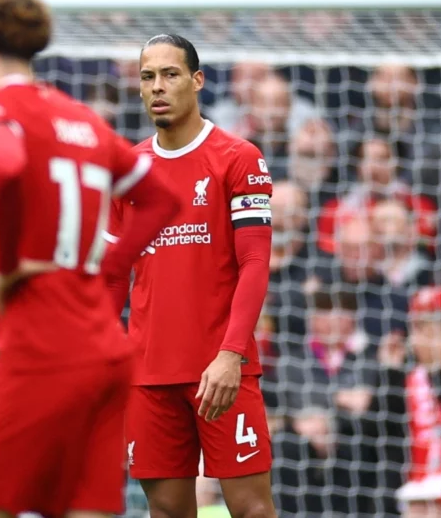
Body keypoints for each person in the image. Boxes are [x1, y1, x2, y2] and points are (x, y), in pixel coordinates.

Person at [0, 0, 181, 518]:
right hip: (105, 348)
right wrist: (107, 270)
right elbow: (160, 199)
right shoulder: (80, 118)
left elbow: (5, 164)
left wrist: (9, 266)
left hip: (40, 345)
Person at [105, 34, 277, 518]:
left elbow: (255, 263)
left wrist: (230, 354)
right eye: (148, 77)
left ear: (197, 81)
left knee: (252, 510)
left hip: (221, 368)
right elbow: (115, 276)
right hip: (147, 373)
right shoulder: (129, 170)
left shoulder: (238, 157)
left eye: (170, 74)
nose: (157, 86)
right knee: (166, 512)